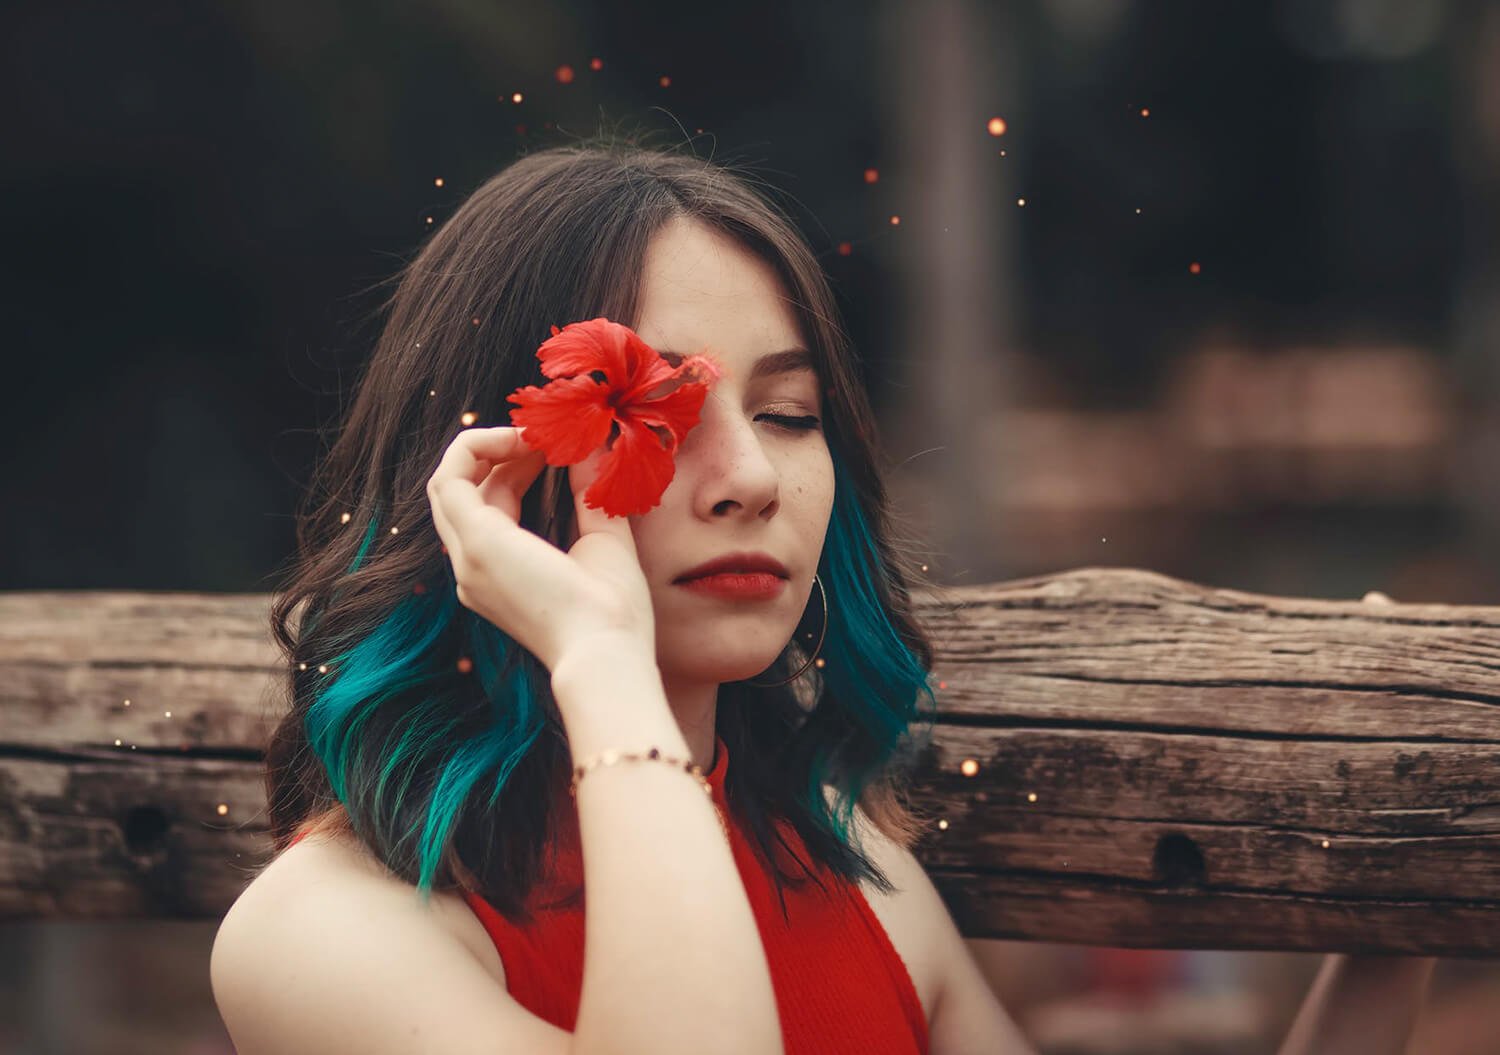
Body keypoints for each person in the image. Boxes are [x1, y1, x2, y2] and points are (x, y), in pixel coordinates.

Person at [208, 137, 1434, 1055]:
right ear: (482, 474)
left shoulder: (848, 870)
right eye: (655, 417)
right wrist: (595, 650)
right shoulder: (321, 940)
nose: (748, 474)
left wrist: (1402, 878)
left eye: (789, 413)